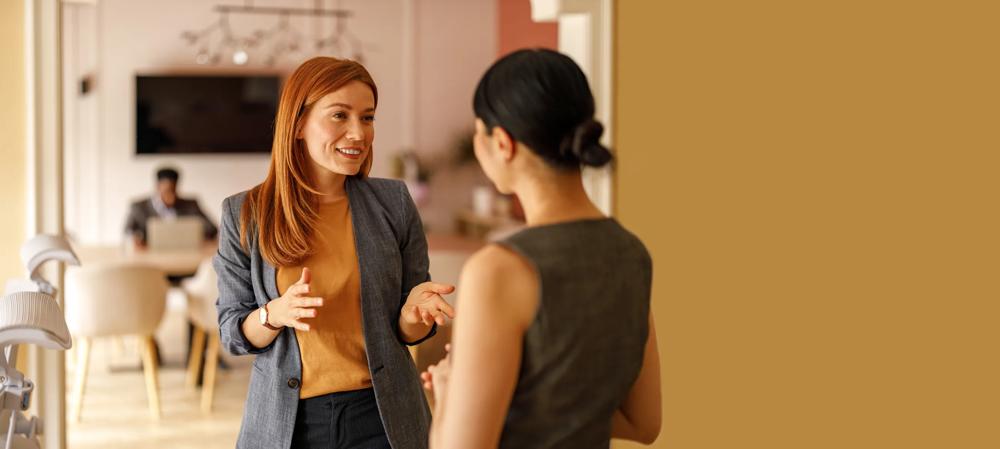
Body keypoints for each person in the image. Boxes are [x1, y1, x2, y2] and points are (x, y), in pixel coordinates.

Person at [422, 49, 662, 448]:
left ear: (502, 143)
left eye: (479, 133)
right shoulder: (632, 253)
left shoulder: (499, 269)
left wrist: (449, 392)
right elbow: (644, 425)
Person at [214, 56, 454, 449]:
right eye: (340, 115)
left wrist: (413, 315)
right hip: (289, 423)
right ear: (298, 124)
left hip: (383, 417)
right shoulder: (245, 214)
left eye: (367, 117)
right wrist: (275, 314)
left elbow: (407, 329)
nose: (358, 133)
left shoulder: (393, 203)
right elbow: (232, 333)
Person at [124, 167, 218, 249]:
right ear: (157, 187)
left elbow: (212, 229)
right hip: (149, 255)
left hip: (184, 253)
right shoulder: (139, 207)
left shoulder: (191, 205)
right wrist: (135, 239)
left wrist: (197, 231)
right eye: (167, 190)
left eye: (173, 190)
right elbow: (127, 232)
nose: (170, 195)